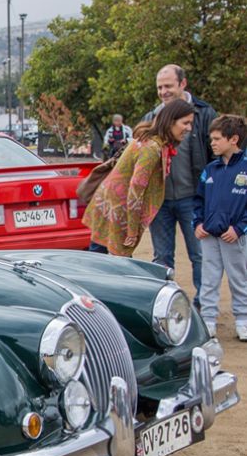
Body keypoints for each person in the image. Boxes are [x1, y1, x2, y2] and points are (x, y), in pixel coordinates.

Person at [142, 65, 217, 307]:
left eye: (168, 86)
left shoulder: (204, 114)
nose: (163, 92)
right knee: (162, 258)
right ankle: (167, 308)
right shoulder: (151, 117)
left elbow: (216, 156)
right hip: (160, 201)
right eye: (159, 87)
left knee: (200, 255)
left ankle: (203, 307)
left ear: (183, 84)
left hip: (193, 198)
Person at [83, 99, 195, 256]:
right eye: (185, 123)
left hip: (110, 207)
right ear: (170, 121)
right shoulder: (152, 149)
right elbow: (135, 191)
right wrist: (132, 231)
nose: (189, 128)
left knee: (100, 257)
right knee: (114, 265)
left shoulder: (153, 141)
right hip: (119, 212)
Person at [194, 114, 247, 340]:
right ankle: (208, 320)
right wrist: (197, 223)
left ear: (233, 139)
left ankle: (243, 320)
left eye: (217, 138)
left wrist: (240, 228)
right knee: (209, 279)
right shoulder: (210, 169)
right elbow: (198, 200)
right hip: (210, 237)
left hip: (234, 237)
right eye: (211, 138)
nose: (212, 143)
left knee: (239, 279)